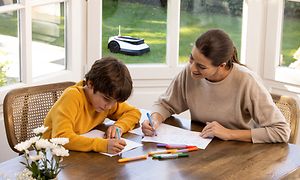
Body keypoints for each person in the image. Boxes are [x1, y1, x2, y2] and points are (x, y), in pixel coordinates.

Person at [142, 29, 291, 143]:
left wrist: (228, 133)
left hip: (241, 154)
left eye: (201, 66)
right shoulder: (190, 73)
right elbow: (165, 105)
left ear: (221, 65)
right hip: (201, 147)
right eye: (191, 58)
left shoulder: (247, 81)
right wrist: (154, 119)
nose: (192, 68)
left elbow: (281, 131)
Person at [43, 57, 141, 154]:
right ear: (90, 84)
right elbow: (61, 137)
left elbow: (134, 112)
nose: (110, 107)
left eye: (115, 102)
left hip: (77, 155)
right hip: (51, 156)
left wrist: (119, 126)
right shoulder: (72, 97)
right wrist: (102, 145)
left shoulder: (106, 100)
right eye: (106, 99)